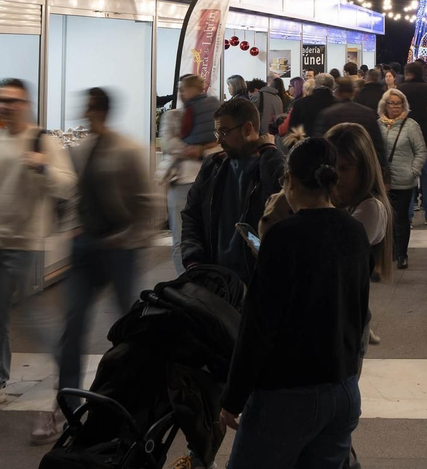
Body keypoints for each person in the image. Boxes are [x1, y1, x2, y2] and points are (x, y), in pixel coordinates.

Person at [220, 138, 367, 467]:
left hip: (288, 392)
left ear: (289, 180)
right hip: (342, 388)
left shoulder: (283, 237)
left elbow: (258, 325)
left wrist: (233, 397)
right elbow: (358, 312)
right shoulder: (355, 231)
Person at [47, 88, 157, 442]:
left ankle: (140, 394)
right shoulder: (83, 149)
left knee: (128, 325)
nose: (86, 113)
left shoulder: (128, 150)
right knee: (73, 325)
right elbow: (77, 194)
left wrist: (129, 237)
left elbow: (147, 203)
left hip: (119, 249)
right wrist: (73, 228)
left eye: (91, 108)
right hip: (86, 249)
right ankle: (67, 405)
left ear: (103, 111)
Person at [0, 79, 76, 411]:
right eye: (1, 101)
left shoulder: (42, 140)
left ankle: (67, 371)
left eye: (13, 101)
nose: (5, 107)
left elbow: (68, 185)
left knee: (30, 313)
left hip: (24, 242)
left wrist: (42, 165)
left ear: (26, 104)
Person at [180, 97, 286, 282]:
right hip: (216, 279)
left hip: (258, 281)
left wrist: (270, 152)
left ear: (247, 129)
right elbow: (191, 216)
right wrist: (193, 261)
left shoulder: (270, 167)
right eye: (217, 133)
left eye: (224, 132)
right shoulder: (212, 166)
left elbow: (284, 201)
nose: (219, 140)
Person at [160, 75, 219, 271]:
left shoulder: (212, 113)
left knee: (206, 233)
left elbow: (218, 144)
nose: (181, 93)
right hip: (180, 182)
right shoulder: (173, 116)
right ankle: (183, 280)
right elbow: (168, 143)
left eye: (183, 89)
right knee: (179, 237)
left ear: (194, 89)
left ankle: (204, 278)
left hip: (207, 180)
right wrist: (192, 149)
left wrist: (199, 150)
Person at [328, 122, 394, 291]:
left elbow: (331, 256)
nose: (337, 175)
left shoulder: (371, 208)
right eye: (332, 167)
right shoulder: (342, 200)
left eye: (345, 168)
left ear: (364, 168)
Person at [376, 88, 427, 269]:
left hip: (405, 181)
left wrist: (413, 171)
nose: (395, 107)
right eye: (392, 103)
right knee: (385, 218)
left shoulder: (411, 126)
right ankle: (390, 251)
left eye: (399, 103)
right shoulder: (378, 125)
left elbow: (421, 151)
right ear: (385, 105)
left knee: (402, 219)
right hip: (384, 182)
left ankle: (402, 254)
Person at [313, 76, 385, 174]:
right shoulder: (369, 114)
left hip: (337, 168)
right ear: (353, 92)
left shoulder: (327, 114)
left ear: (337, 92)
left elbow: (320, 146)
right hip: (363, 168)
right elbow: (378, 146)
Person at [396, 61, 427, 223]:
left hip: (405, 138)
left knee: (408, 176)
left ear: (409, 73)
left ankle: (408, 215)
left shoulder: (401, 90)